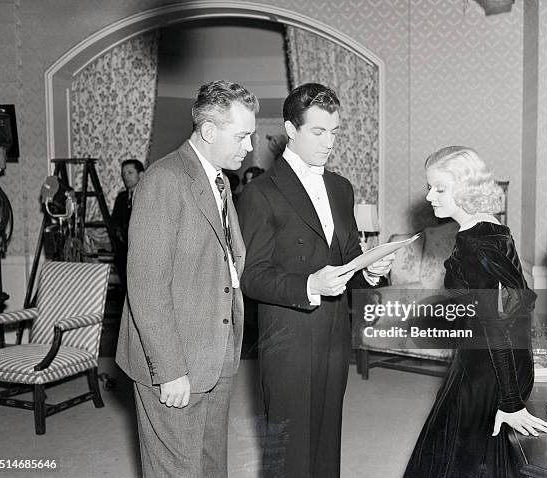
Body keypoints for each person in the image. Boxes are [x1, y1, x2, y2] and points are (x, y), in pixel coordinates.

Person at [237, 82, 394, 477]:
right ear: (291, 130)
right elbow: (251, 276)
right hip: (288, 335)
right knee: (288, 448)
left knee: (327, 437)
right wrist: (309, 285)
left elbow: (346, 258)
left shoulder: (341, 188)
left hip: (334, 333)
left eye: (335, 132)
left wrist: (370, 271)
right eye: (318, 132)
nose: (329, 142)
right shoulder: (260, 193)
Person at [115, 80, 258, 477]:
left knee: (211, 465)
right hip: (175, 361)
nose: (249, 147)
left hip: (216, 353)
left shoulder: (220, 180)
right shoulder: (163, 181)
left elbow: (228, 259)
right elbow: (146, 286)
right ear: (210, 131)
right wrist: (171, 369)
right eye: (242, 136)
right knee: (175, 470)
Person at [404, 146, 547, 478]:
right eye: (430, 186)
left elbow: (498, 326)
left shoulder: (475, 245)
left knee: (457, 460)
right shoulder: (492, 228)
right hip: (494, 361)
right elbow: (520, 300)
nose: (429, 196)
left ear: (465, 189)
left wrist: (511, 401)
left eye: (439, 189)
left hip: (487, 370)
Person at [110, 159, 144, 288]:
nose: (126, 177)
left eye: (130, 172)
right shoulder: (121, 198)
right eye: (124, 174)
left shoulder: (148, 195)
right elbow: (115, 221)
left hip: (141, 250)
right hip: (123, 251)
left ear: (141, 175)